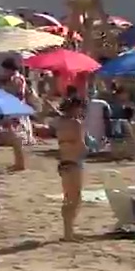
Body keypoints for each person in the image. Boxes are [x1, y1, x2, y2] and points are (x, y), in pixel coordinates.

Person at [55, 96, 87, 242]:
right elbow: (81, 145)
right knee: (75, 199)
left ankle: (68, 231)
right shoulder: (76, 123)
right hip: (75, 162)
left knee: (68, 198)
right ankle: (69, 234)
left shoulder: (60, 123)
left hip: (64, 162)